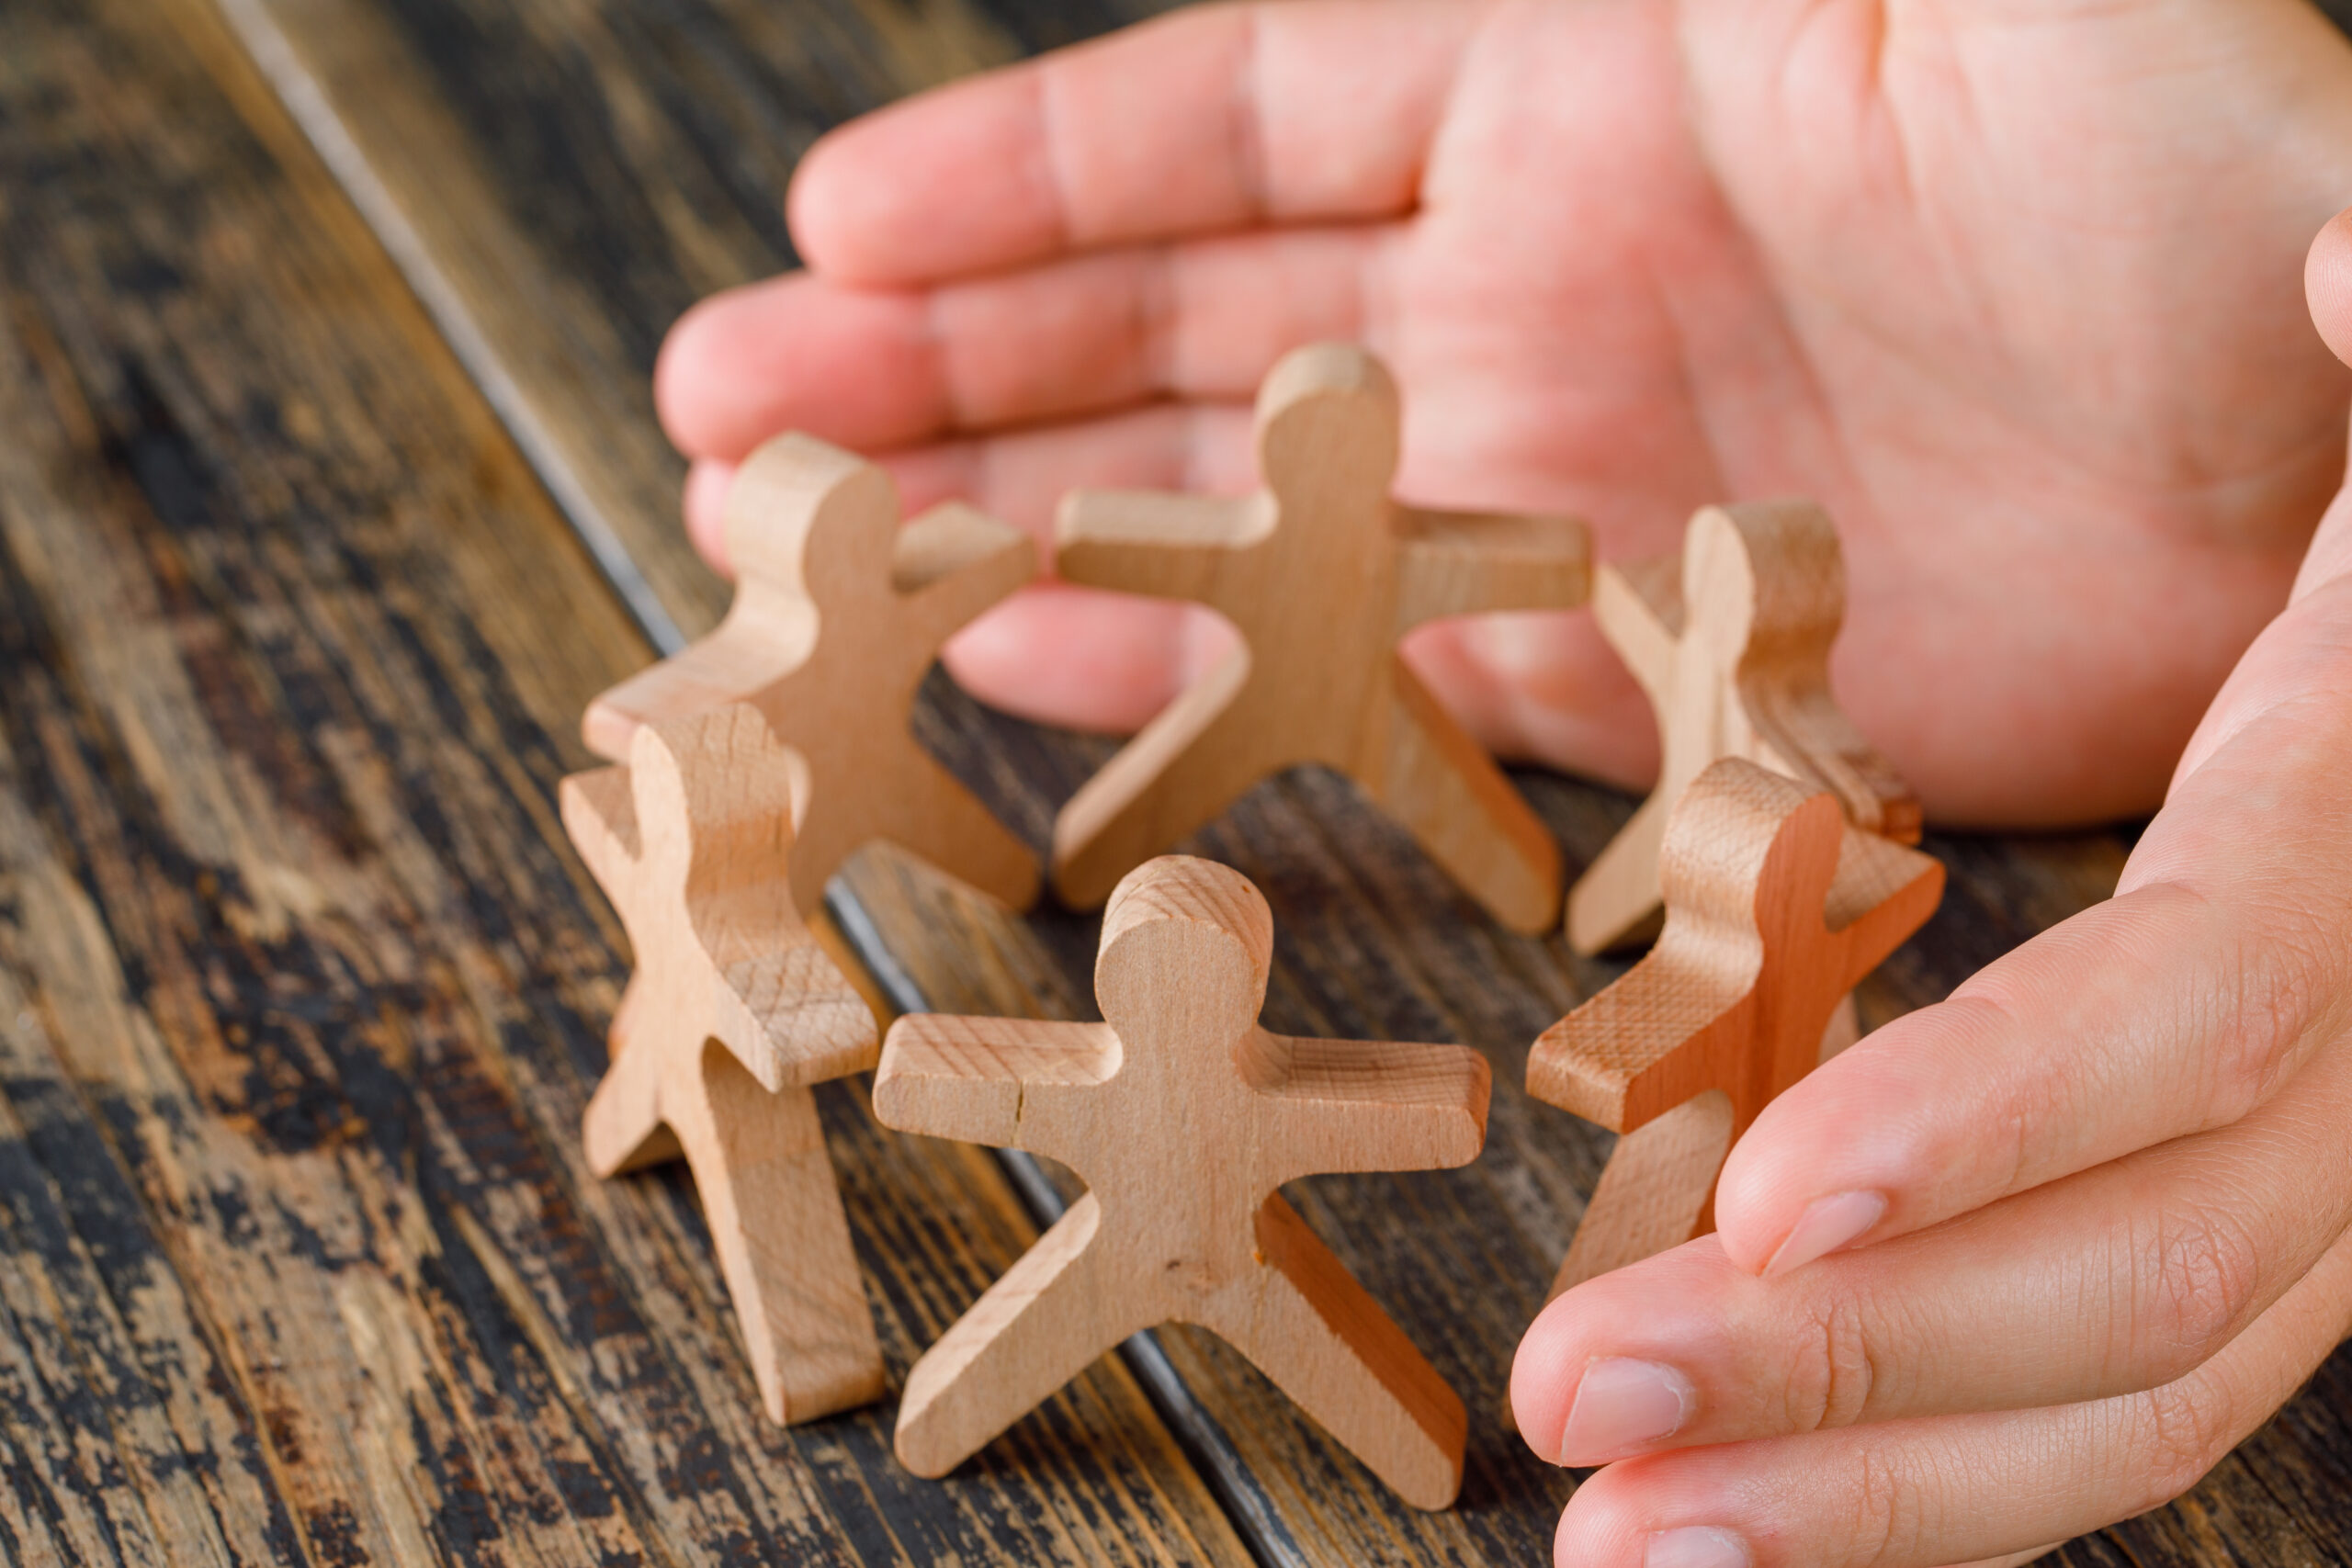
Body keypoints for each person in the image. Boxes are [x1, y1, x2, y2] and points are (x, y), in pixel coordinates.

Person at [652, 3, 2352, 1562]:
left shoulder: (1753, 884)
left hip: (1393, 808)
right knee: (1159, 940)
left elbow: (998, 1065)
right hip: (1276, 823)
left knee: (1289, 1033)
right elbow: (1103, 1056)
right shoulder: (1172, 1042)